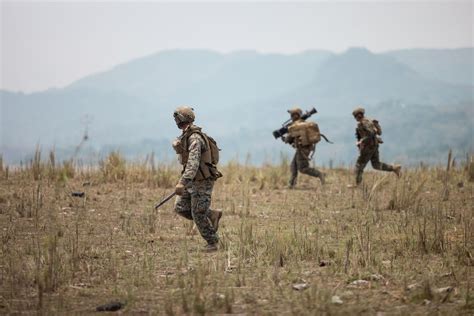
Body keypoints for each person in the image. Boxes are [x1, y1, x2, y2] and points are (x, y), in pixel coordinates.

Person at [171, 106, 222, 252]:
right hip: (192, 180)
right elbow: (185, 160)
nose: (175, 121)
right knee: (180, 207)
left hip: (202, 180)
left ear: (182, 119)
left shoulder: (195, 138)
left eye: (177, 118)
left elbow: (193, 163)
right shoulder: (186, 136)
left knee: (198, 213)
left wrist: (182, 182)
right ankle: (212, 214)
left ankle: (213, 242)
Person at [352, 107, 401, 185]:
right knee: (376, 164)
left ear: (359, 115)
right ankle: (394, 168)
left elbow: (371, 134)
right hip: (374, 146)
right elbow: (378, 133)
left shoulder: (363, 123)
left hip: (368, 148)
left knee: (359, 165)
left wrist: (361, 141)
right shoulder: (369, 121)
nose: (356, 118)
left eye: (356, 116)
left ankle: (357, 184)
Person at [283, 107, 325, 188]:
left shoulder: (295, 126)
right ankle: (292, 184)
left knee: (303, 168)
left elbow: (289, 138)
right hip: (304, 148)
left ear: (294, 115)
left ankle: (320, 174)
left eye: (292, 115)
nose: (291, 117)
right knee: (293, 166)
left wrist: (285, 139)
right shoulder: (303, 124)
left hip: (302, 149)